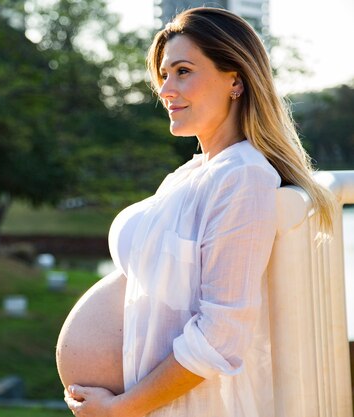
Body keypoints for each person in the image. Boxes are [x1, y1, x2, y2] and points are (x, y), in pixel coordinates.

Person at [63, 7, 336, 417]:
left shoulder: (242, 176)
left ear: (236, 80)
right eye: (164, 74)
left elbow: (220, 336)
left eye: (183, 71)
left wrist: (122, 408)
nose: (165, 88)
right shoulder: (194, 172)